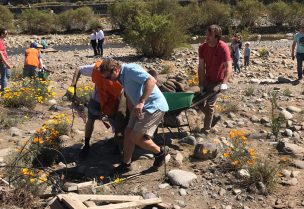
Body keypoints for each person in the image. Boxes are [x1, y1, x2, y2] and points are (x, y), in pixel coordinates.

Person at [100, 59, 169, 173]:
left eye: (108, 77)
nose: (109, 80)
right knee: (128, 133)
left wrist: (141, 102)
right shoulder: (121, 77)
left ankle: (160, 152)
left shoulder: (130, 69)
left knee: (135, 137)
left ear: (116, 70)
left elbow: (151, 80)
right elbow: (131, 92)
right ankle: (126, 164)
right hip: (140, 108)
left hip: (153, 106)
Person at [70, 59, 128, 159]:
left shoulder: (122, 76)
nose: (106, 78)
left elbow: (123, 96)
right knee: (91, 119)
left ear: (115, 71)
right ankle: (87, 145)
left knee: (117, 122)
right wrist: (73, 86)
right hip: (98, 97)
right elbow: (79, 69)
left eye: (108, 77)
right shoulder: (96, 68)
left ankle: (119, 146)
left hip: (114, 100)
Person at [198, 25, 232, 135]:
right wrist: (201, 84)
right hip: (207, 79)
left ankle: (206, 130)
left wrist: (224, 83)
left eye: (210, 34)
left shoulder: (223, 47)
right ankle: (214, 118)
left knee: (209, 104)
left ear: (216, 36)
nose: (206, 36)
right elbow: (201, 67)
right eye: (206, 33)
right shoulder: (202, 47)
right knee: (196, 101)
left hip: (218, 81)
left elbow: (228, 66)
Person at [0, 27, 13, 91]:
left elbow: (4, 51)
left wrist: (8, 60)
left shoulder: (2, 40)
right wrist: (6, 63)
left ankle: (2, 85)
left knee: (8, 75)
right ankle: (4, 91)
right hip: (2, 61)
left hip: (4, 61)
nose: (7, 34)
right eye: (6, 33)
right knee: (4, 76)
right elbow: (1, 54)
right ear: (2, 34)